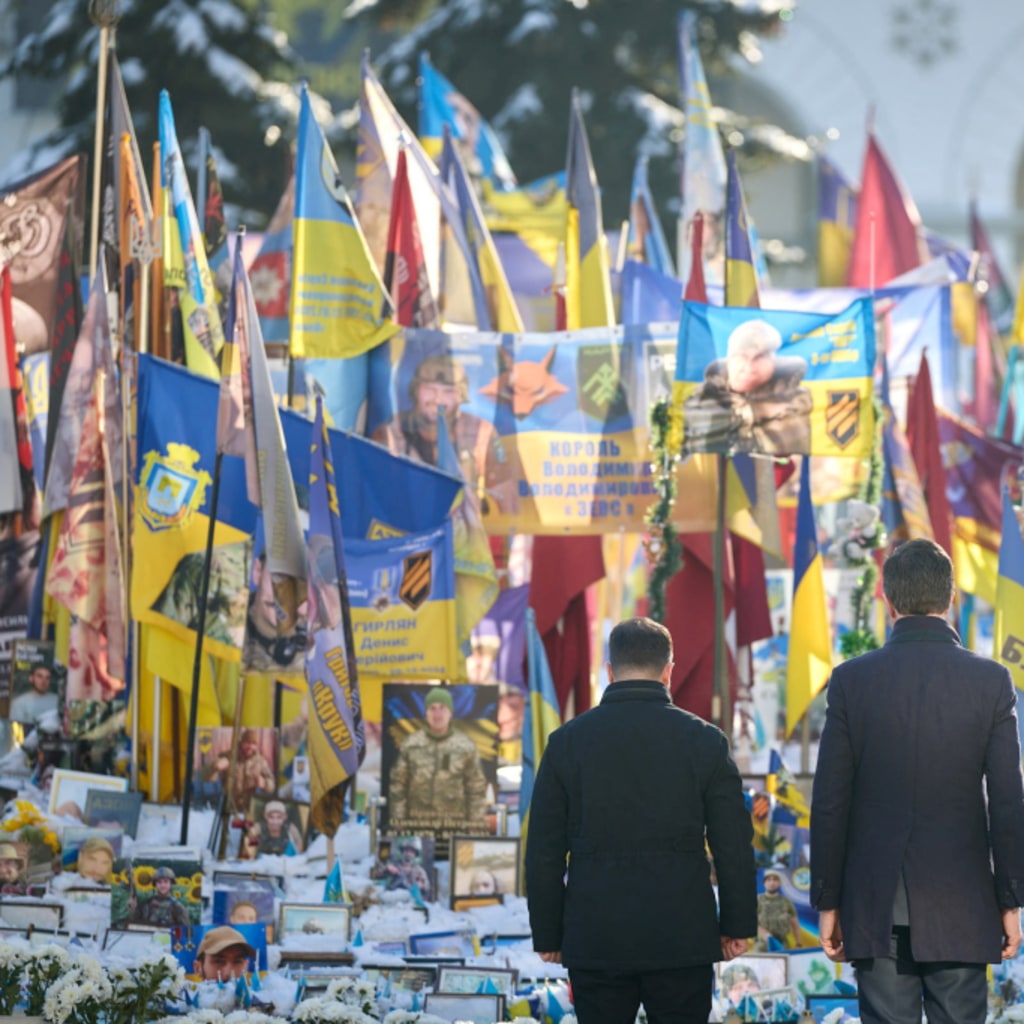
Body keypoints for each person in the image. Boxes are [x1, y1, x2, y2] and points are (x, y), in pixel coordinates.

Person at [811, 538, 1024, 1024]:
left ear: (887, 600)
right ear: (951, 599)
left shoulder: (850, 680)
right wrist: (1011, 899)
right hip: (962, 903)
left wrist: (828, 900)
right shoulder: (991, 681)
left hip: (874, 904)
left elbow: (829, 802)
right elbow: (1009, 803)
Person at [525, 617, 756, 1024]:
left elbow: (543, 850)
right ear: (669, 670)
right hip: (682, 934)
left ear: (609, 671)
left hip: (596, 933)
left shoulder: (566, 743)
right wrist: (737, 924)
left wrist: (548, 933)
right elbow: (733, 843)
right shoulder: (704, 740)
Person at [372, 354, 513, 515]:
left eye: (448, 391)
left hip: (463, 531)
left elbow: (506, 494)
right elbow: (373, 494)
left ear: (461, 395)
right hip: (406, 530)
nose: (438, 399)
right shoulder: (390, 430)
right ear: (415, 390)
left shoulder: (482, 431)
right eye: (429, 389)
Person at [682, 318, 812, 455]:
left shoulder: (795, 401)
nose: (749, 368)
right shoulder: (702, 398)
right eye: (741, 356)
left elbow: (784, 445)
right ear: (729, 360)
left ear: (774, 362)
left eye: (760, 357)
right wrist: (754, 412)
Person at [387, 686, 489, 834]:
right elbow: (398, 786)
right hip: (417, 828)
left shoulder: (466, 746)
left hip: (455, 828)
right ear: (426, 713)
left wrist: (475, 823)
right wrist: (398, 820)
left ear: (451, 713)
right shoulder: (410, 744)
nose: (437, 713)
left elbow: (476, 787)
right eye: (432, 708)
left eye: (442, 708)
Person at [242, 552, 306, 674]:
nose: (284, 599)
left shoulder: (321, 649)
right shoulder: (225, 628)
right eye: (278, 577)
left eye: (298, 582)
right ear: (257, 571)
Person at [230, 728, 276, 813]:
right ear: (242, 743)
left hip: (250, 810)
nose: (250, 746)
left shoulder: (261, 761)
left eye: (253, 744)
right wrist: (214, 767)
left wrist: (264, 783)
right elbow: (206, 775)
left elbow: (272, 783)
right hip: (229, 809)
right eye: (247, 743)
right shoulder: (230, 757)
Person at [755, 869, 801, 950]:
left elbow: (795, 925)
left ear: (779, 883)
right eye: (769, 880)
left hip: (782, 944)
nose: (772, 883)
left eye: (775, 880)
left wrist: (798, 944)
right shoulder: (757, 900)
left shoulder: (786, 902)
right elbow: (750, 922)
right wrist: (766, 934)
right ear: (764, 883)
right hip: (761, 945)